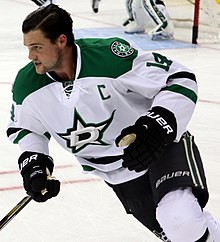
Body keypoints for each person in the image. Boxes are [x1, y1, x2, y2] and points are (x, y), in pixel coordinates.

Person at [6, 4, 220, 242]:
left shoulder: (110, 57)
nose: (30, 56)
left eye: (37, 47)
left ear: (61, 41)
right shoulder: (27, 85)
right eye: (28, 48)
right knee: (177, 234)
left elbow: (179, 78)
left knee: (180, 220)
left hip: (159, 147)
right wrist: (34, 162)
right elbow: (26, 128)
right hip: (117, 174)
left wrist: (158, 124)